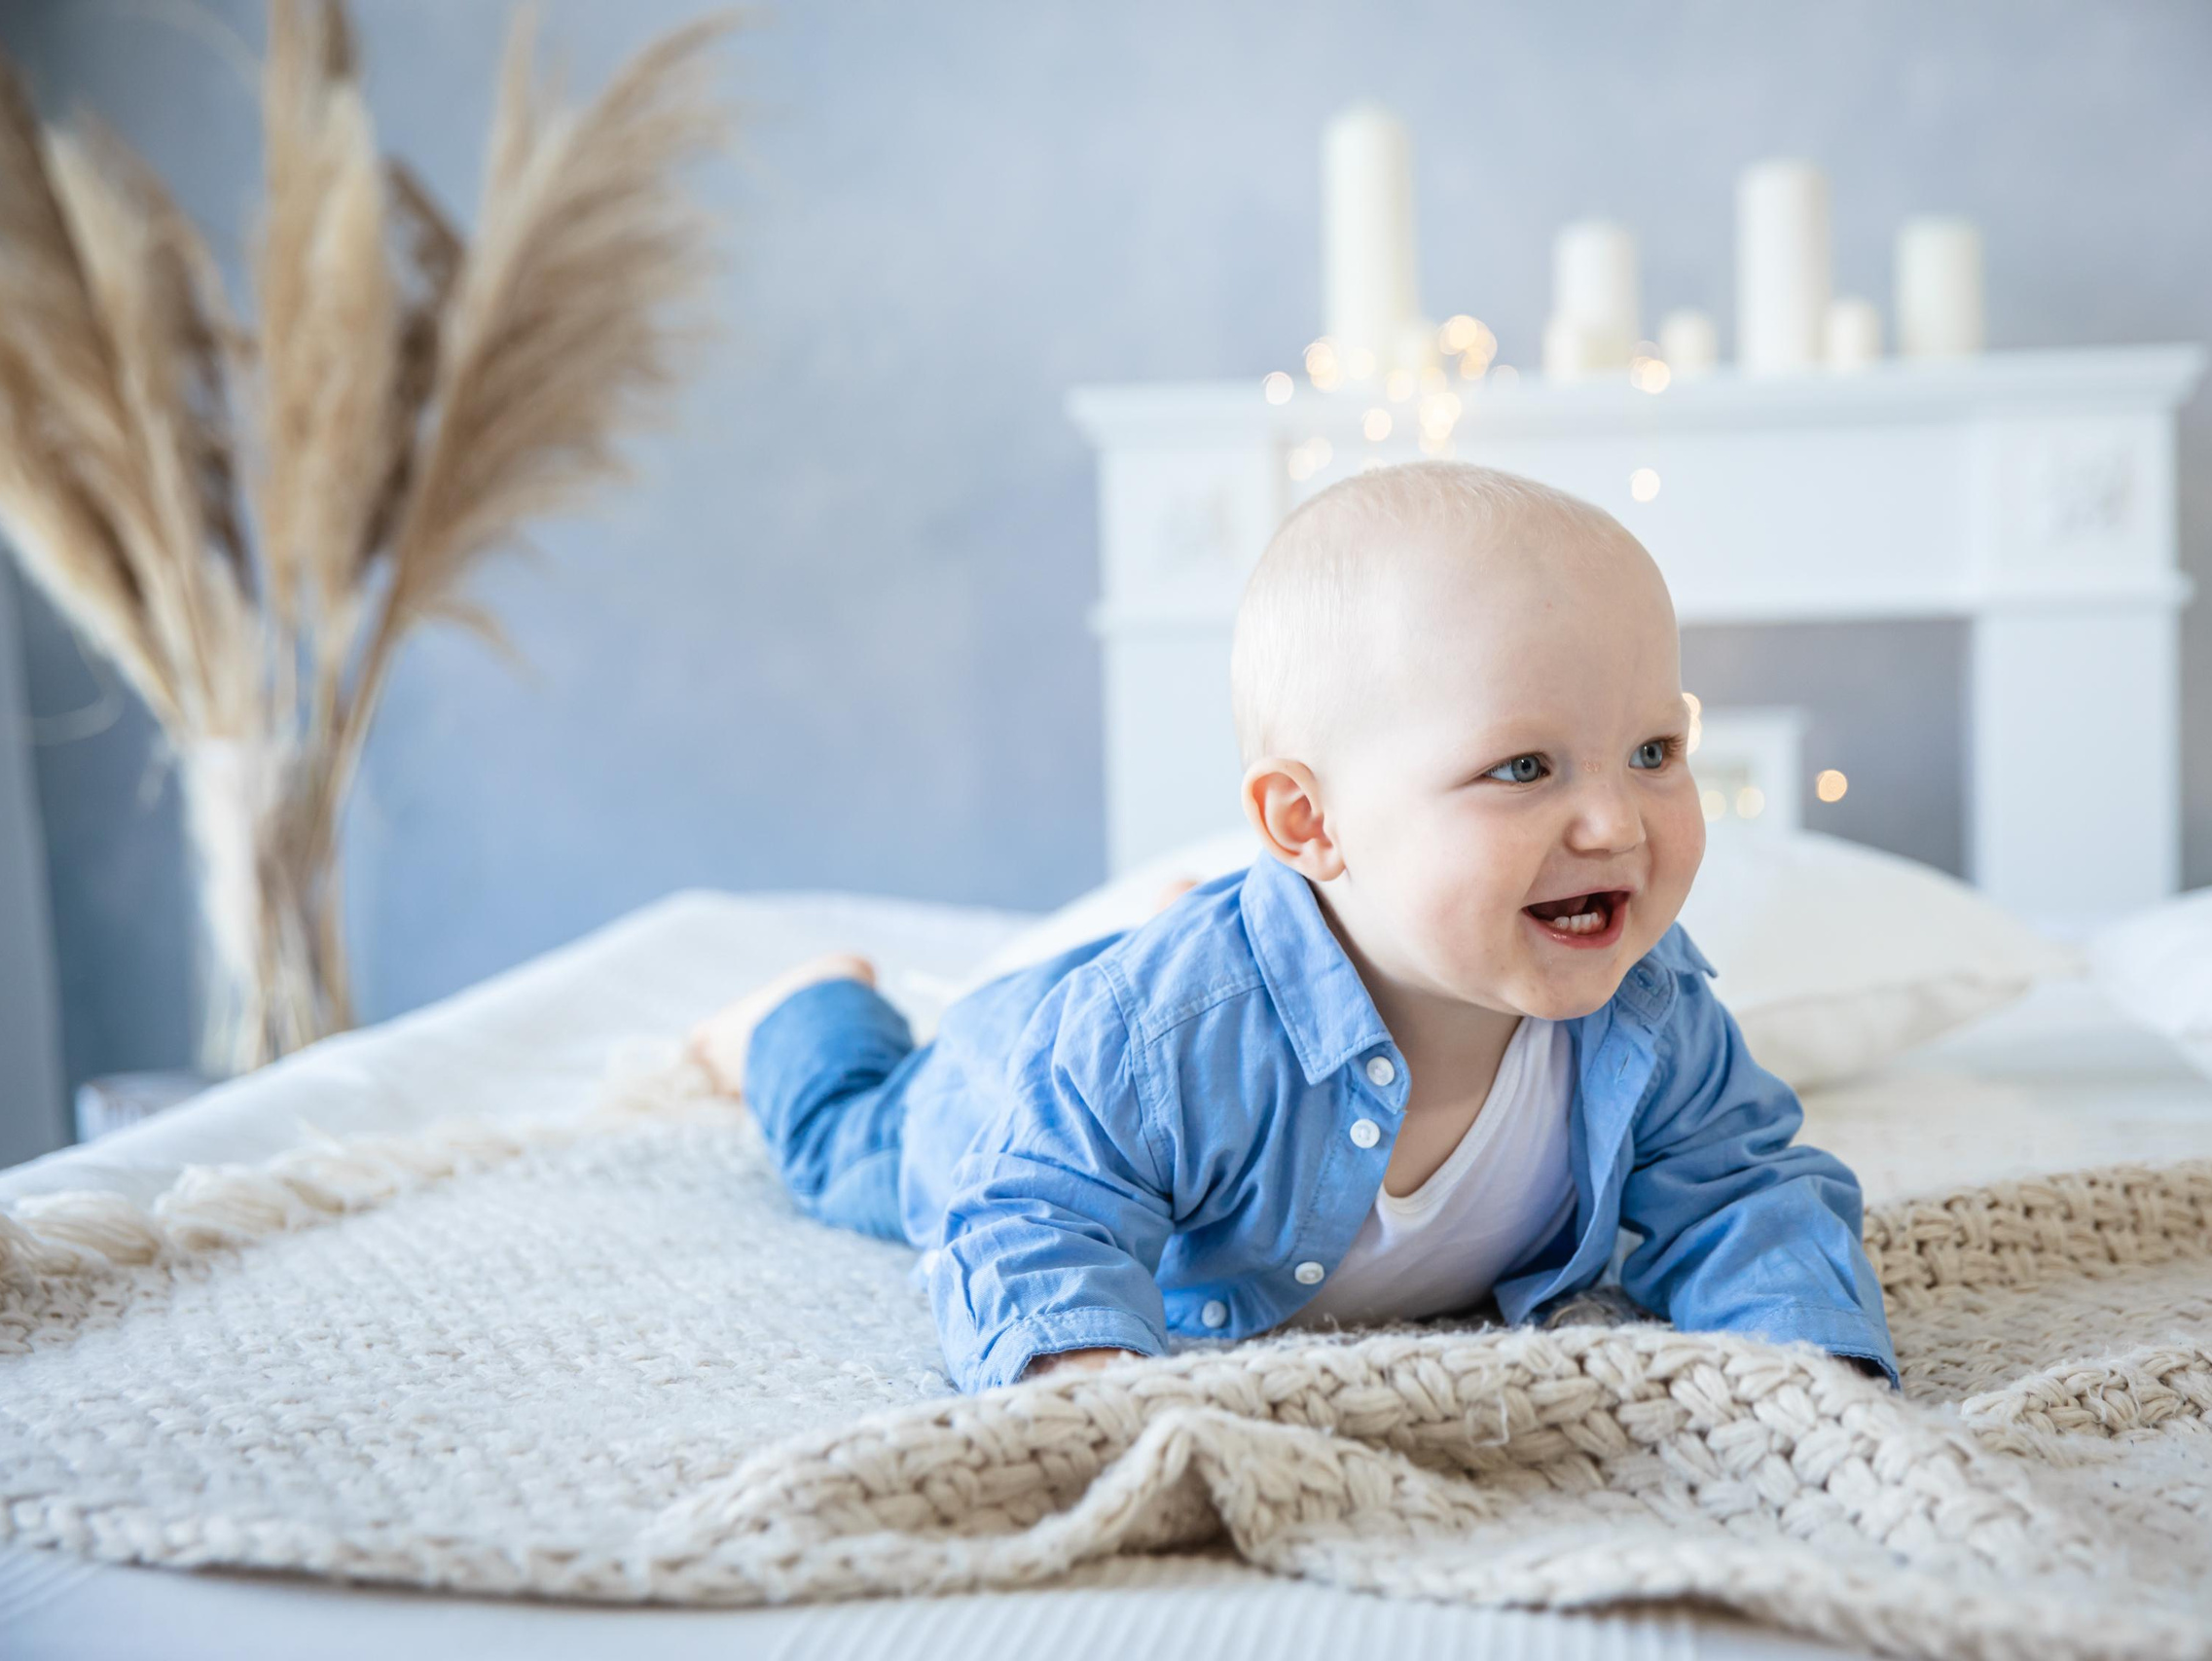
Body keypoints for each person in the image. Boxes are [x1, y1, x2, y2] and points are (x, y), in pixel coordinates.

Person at [690, 460, 1897, 1394]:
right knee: (855, 1146)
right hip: (1016, 1077)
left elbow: (1741, 1190)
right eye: (1523, 766)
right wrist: (1080, 1377)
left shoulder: (1647, 1001)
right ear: (1310, 820)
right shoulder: (1162, 1041)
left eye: (1653, 752)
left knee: (1177, 1023)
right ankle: (797, 1011)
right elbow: (1030, 1214)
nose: (1611, 823)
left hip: (1184, 1008)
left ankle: (1203, 936)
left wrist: (1808, 1353)